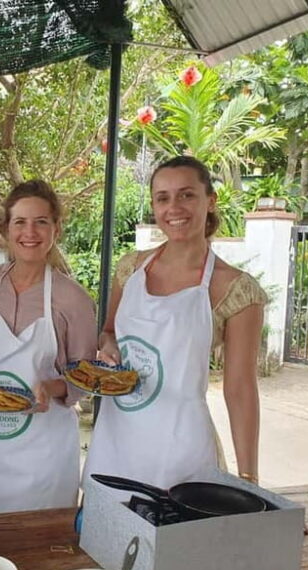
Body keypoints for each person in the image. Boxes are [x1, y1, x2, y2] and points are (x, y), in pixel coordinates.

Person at [84, 156, 266, 496]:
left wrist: (249, 484)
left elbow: (240, 389)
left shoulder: (236, 289)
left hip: (181, 453)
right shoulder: (131, 268)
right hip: (115, 442)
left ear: (210, 201)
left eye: (186, 195)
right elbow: (109, 331)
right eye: (162, 197)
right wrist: (108, 348)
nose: (173, 207)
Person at [0, 180, 97, 517]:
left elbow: (87, 377)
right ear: (7, 228)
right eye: (19, 222)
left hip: (42, 458)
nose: (29, 232)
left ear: (56, 229)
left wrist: (52, 386)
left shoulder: (73, 299)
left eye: (41, 222)